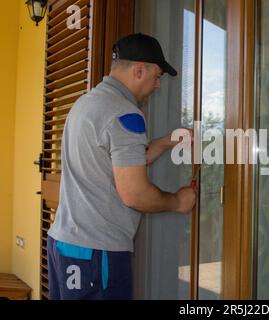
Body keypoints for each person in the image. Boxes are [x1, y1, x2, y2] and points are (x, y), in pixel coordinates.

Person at [47, 33, 196, 300]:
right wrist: (177, 202)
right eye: (158, 76)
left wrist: (164, 143)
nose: (158, 85)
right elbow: (134, 194)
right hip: (96, 253)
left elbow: (114, 162)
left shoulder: (87, 103)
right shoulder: (124, 112)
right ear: (140, 70)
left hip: (65, 242)